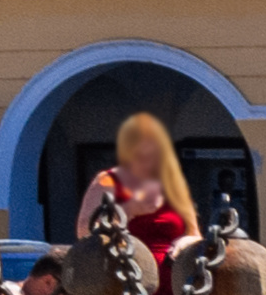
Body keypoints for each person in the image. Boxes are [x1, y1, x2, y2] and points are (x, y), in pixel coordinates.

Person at [81, 115, 199, 275]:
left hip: (174, 285)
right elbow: (84, 232)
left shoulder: (173, 185)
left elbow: (195, 235)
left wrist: (185, 243)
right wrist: (127, 211)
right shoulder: (109, 180)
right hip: (126, 280)